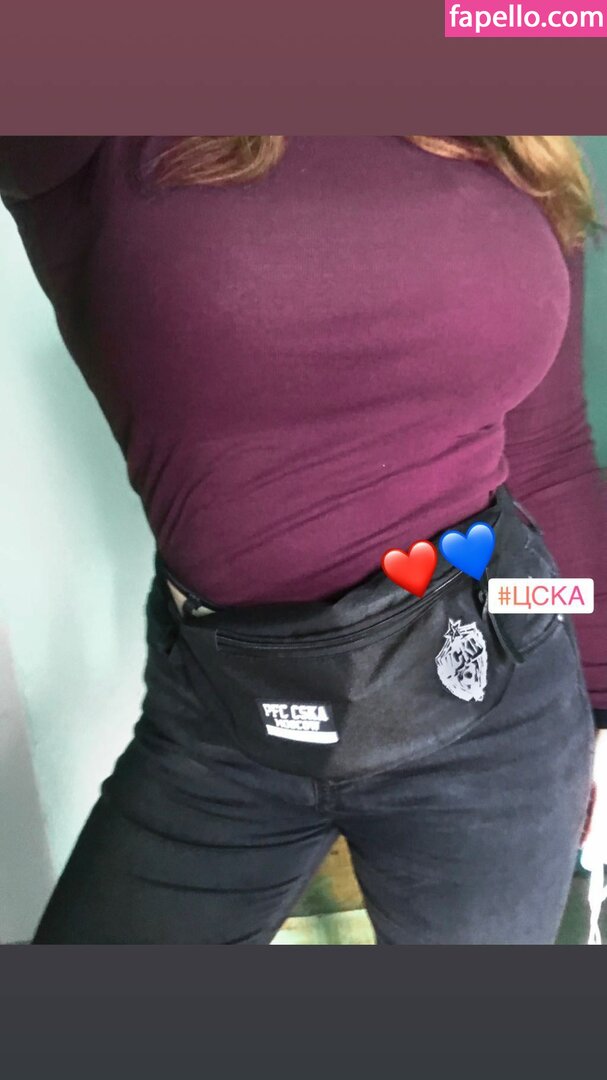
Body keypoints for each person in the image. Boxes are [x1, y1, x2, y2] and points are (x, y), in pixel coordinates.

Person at [1, 135, 606, 944]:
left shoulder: (506, 127)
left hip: (498, 697)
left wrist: (600, 704)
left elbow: (549, 453)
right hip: (225, 716)